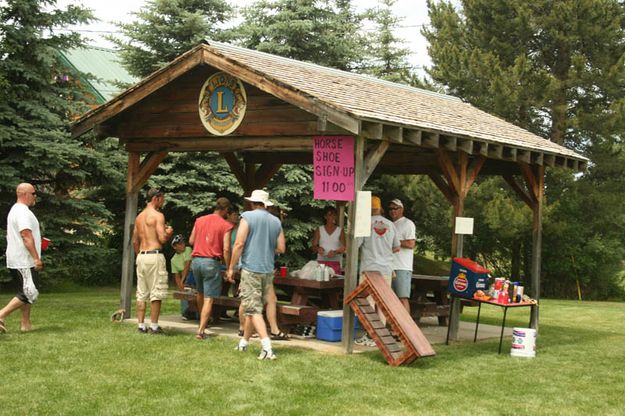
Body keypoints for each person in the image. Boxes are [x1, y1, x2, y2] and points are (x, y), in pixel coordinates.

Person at [227, 189, 286, 360]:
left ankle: (267, 347)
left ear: (252, 203)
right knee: (255, 307)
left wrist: (231, 267)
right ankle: (244, 343)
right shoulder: (276, 221)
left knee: (252, 310)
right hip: (267, 270)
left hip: (251, 269)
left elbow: (238, 243)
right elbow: (281, 248)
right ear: (266, 204)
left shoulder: (248, 217)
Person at [355, 195, 400, 347]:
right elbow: (397, 246)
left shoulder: (364, 224)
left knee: (367, 302)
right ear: (380, 208)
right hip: (386, 268)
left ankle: (370, 335)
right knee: (383, 302)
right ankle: (379, 336)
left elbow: (357, 246)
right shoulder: (390, 224)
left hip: (369, 268)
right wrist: (384, 252)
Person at [0, 183, 43, 334]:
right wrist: (36, 258)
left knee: (25, 291)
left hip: (20, 258)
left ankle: (25, 324)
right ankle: (1, 315)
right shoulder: (22, 212)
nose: (35, 196)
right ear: (25, 194)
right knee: (30, 292)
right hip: (23, 260)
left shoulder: (17, 210)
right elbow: (26, 235)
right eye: (33, 193)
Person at [189, 197, 233, 340]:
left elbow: (191, 240)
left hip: (196, 261)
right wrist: (228, 267)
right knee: (209, 298)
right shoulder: (225, 225)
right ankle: (201, 331)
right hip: (211, 262)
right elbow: (226, 248)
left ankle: (202, 323)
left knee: (200, 293)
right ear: (226, 210)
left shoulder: (199, 220)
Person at [133, 188, 174, 335]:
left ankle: (141, 325)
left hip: (141, 256)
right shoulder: (158, 215)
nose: (163, 202)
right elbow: (162, 238)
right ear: (156, 198)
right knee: (157, 290)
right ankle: (154, 326)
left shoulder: (139, 217)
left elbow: (134, 241)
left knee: (141, 291)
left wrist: (139, 256)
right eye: (162, 199)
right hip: (154, 254)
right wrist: (168, 232)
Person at [388, 199, 416, 315]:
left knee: (402, 297)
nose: (393, 211)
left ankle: (406, 328)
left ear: (401, 209)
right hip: (389, 266)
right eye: (390, 209)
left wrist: (395, 242)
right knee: (390, 298)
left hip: (402, 267)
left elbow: (411, 244)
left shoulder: (407, 224)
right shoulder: (389, 224)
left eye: (396, 208)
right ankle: (394, 325)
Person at [311, 205, 346, 274]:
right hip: (321, 263)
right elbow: (313, 247)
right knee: (321, 282)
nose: (332, 217)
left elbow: (344, 247)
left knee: (334, 283)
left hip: (335, 262)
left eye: (334, 215)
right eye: (330, 215)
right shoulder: (319, 229)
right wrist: (318, 249)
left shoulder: (340, 230)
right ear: (325, 217)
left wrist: (335, 252)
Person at [170, 234, 197, 320]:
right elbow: (176, 275)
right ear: (174, 246)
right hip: (187, 280)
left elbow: (187, 265)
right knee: (183, 289)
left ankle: (192, 311)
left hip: (193, 275)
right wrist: (180, 286)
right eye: (180, 244)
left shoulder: (188, 249)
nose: (183, 245)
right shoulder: (173, 260)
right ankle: (187, 311)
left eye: (183, 242)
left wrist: (182, 281)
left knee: (189, 275)